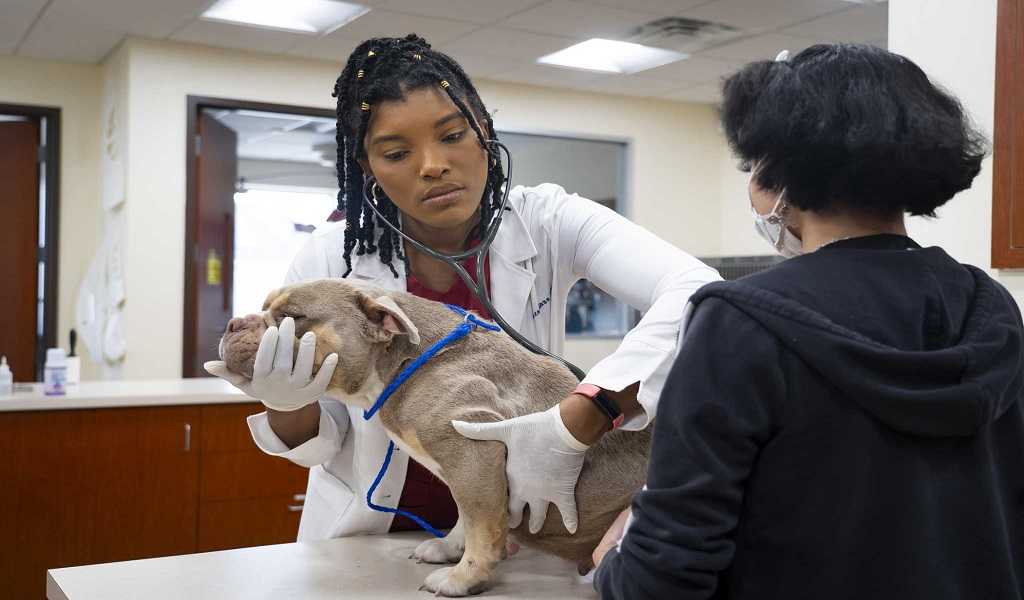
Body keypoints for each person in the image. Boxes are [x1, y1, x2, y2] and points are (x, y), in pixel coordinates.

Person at [206, 34, 719, 540]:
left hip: (523, 532)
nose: (432, 166)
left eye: (452, 136)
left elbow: (698, 293)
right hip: (373, 535)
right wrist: (285, 402)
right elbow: (318, 445)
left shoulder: (548, 221)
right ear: (368, 169)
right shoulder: (330, 260)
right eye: (396, 152)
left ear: (484, 132)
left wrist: (588, 410)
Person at [590, 44, 1024, 599]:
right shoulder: (989, 307)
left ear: (780, 174)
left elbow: (665, 575)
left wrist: (611, 566)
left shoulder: (738, 322)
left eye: (751, 166)